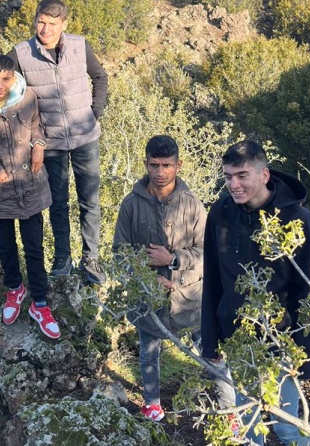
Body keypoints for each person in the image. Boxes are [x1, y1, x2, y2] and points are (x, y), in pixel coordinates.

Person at [0, 0, 109, 285]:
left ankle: (91, 259)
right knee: (58, 202)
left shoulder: (80, 46)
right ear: (35, 21)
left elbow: (100, 77)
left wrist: (95, 112)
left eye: (53, 24)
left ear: (64, 25)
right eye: (41, 22)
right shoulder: (22, 53)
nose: (45, 29)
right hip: (51, 142)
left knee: (89, 200)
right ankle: (62, 259)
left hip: (85, 137)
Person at [200, 140, 310, 445]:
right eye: (227, 176)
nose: (233, 184)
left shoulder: (298, 220)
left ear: (264, 174)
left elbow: (306, 288)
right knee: (249, 422)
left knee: (288, 426)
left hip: (281, 339)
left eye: (241, 175)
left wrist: (305, 351)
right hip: (238, 339)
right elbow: (212, 277)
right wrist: (210, 341)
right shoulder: (220, 212)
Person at [0, 55, 61, 340]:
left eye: (6, 78)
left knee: (35, 249)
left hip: (31, 187)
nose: (0, 84)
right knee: (6, 247)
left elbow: (38, 126)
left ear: (14, 77)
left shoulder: (28, 97)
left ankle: (40, 303)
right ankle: (15, 290)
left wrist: (39, 145)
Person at [113, 135, 206, 422]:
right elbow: (120, 252)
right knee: (148, 353)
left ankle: (230, 409)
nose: (160, 172)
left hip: (190, 298)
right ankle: (152, 404)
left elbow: (208, 253)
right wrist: (144, 278)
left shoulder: (193, 205)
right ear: (146, 164)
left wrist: (174, 259)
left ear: (178, 165)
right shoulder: (130, 204)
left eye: (167, 165)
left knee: (210, 353)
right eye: (154, 164)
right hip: (146, 299)